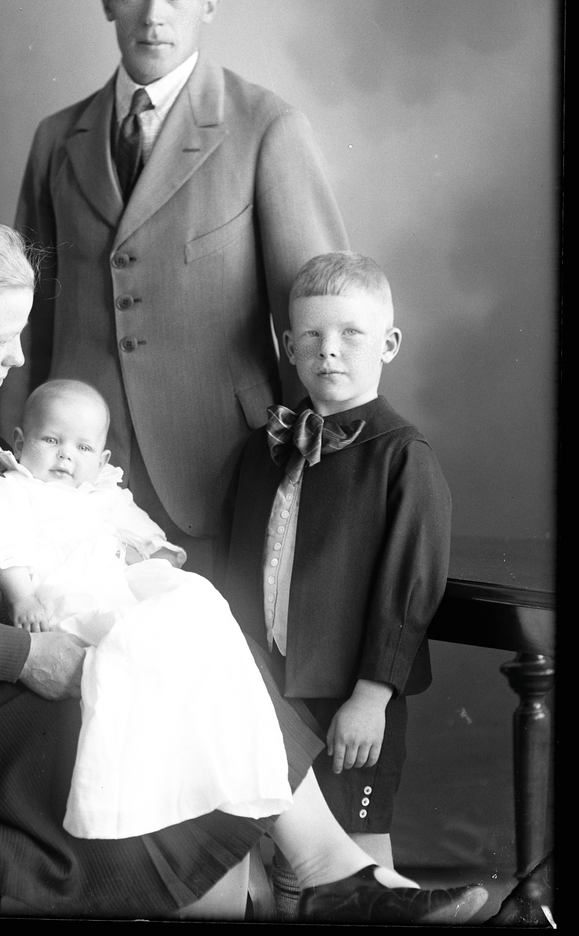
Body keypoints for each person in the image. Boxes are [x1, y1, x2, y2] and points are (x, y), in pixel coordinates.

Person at [0, 218, 485, 921]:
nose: (18, 359)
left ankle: (334, 874)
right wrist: (27, 657)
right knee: (168, 738)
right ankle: (336, 883)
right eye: (0, 338)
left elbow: (36, 511)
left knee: (194, 650)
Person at [7, 0, 349, 582]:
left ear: (210, 2)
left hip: (220, 469)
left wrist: (317, 475)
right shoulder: (57, 138)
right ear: (106, 0)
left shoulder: (267, 127)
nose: (153, 15)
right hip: (73, 477)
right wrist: (10, 452)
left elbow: (318, 320)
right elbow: (23, 318)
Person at [223, 252, 452, 918]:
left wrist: (371, 696)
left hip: (350, 696)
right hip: (267, 684)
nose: (329, 350)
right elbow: (238, 567)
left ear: (388, 343)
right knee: (280, 846)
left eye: (351, 333)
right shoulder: (261, 449)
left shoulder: (403, 456)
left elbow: (409, 589)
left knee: (356, 844)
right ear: (288, 346)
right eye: (313, 335)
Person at [0, 378, 293, 842]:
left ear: (102, 459)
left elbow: (148, 537)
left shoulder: (104, 492)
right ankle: (143, 790)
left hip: (113, 586)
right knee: (134, 642)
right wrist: (22, 598)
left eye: (83, 447)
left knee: (196, 596)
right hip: (64, 596)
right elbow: (9, 551)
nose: (65, 456)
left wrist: (152, 552)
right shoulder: (15, 488)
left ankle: (227, 760)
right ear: (19, 441)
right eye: (51, 440)